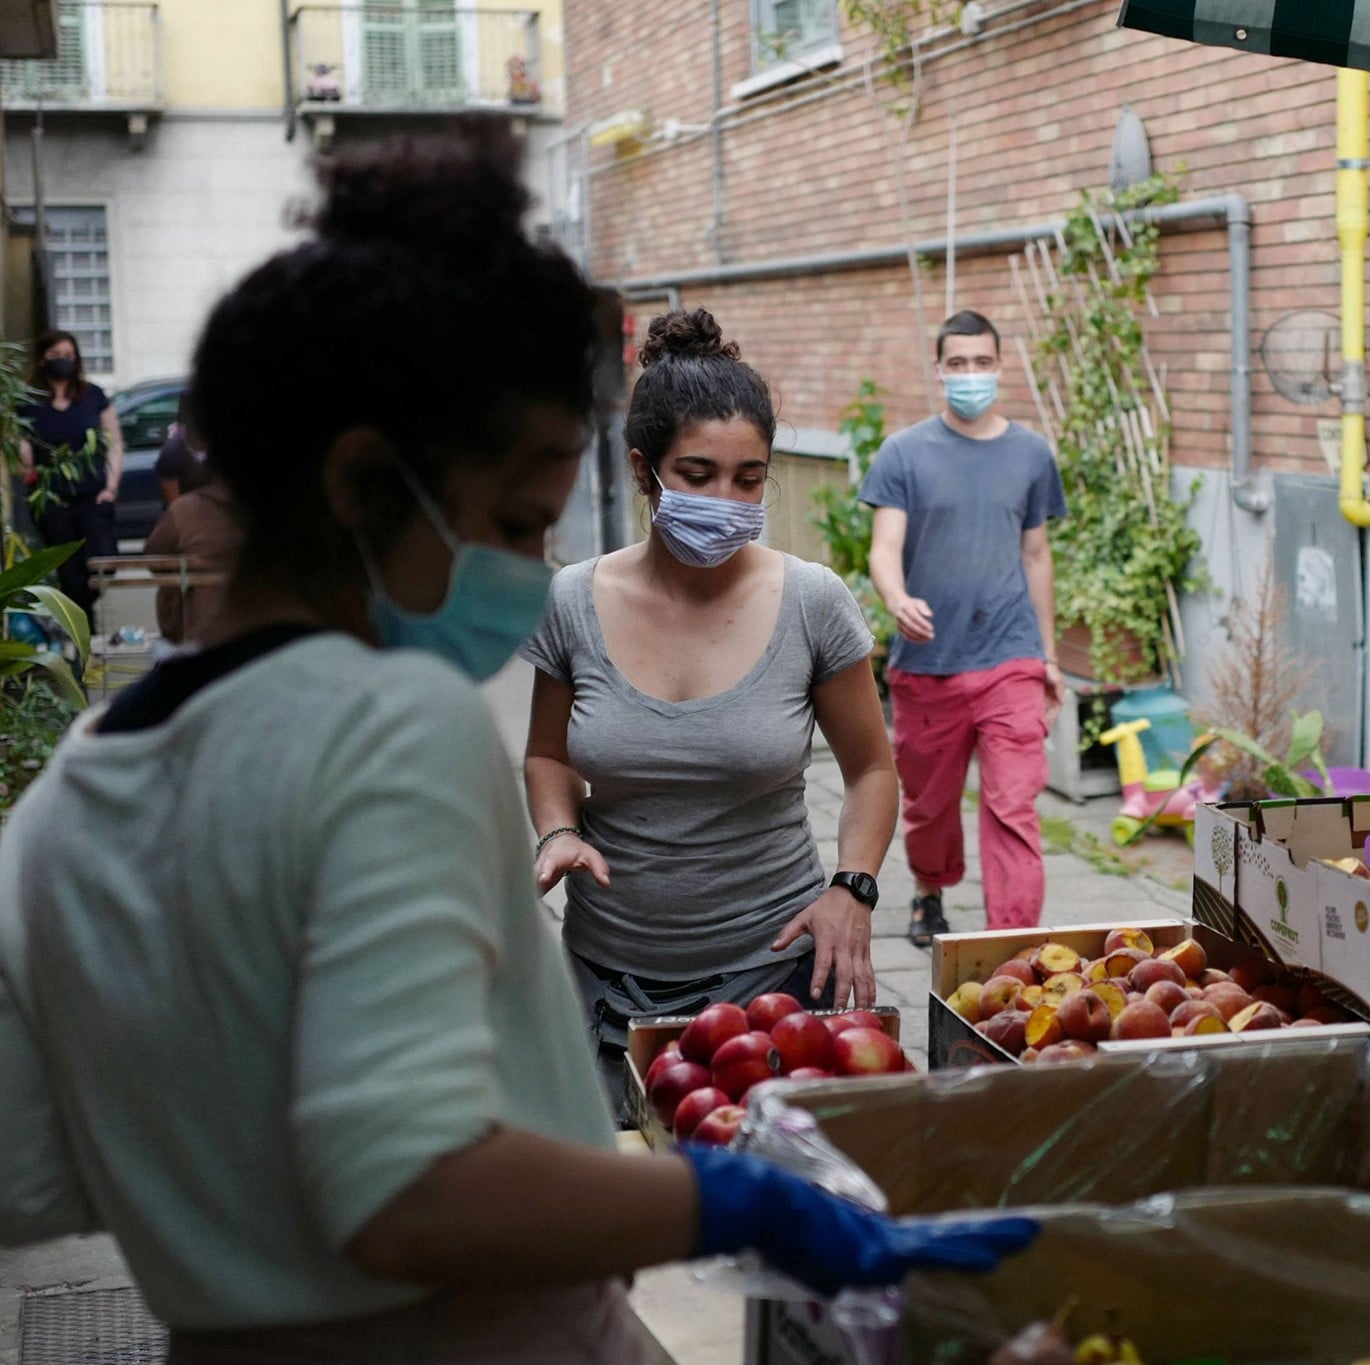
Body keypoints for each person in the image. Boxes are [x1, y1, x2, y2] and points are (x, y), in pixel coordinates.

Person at [0, 126, 1031, 1363]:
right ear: (361, 481)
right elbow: (413, 1194)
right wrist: (733, 1199)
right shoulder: (383, 730)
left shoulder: (74, 784)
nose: (529, 567)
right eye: (512, 517)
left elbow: (30, 1177)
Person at [522, 308, 897, 1122]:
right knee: (606, 1210)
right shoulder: (572, 602)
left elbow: (871, 769)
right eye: (697, 474)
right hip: (603, 979)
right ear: (643, 468)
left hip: (774, 978)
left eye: (749, 478)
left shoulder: (811, 603)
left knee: (772, 1211)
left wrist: (854, 889)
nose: (726, 500)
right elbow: (547, 755)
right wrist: (556, 830)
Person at [862, 310, 1066, 945]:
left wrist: (1049, 657)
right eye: (958, 364)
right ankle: (929, 890)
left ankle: (1011, 942)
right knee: (930, 808)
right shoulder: (904, 453)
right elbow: (883, 546)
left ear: (1000, 367)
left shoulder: (1032, 454)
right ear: (939, 370)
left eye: (982, 363)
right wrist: (895, 598)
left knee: (1013, 806)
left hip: (1011, 657)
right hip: (928, 667)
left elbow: (1036, 555)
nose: (971, 375)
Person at [17, 329, 124, 622]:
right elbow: (21, 448)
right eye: (55, 356)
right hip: (52, 500)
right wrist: (23, 458)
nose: (62, 361)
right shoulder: (29, 401)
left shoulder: (93, 396)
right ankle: (81, 632)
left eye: (68, 355)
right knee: (69, 570)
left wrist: (110, 488)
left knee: (104, 563)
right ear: (42, 360)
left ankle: (80, 619)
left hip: (93, 496)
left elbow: (113, 444)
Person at [141, 473, 235, 644]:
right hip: (267, 627)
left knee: (171, 579)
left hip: (198, 625)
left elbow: (154, 557)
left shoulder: (186, 510)